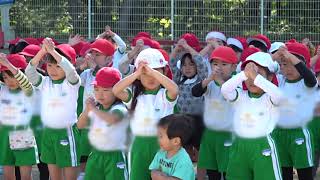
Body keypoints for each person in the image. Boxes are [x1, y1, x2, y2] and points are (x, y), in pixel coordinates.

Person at [112, 48, 178, 180]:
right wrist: (137, 73)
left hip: (163, 145)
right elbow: (116, 90)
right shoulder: (135, 96)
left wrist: (151, 71)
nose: (150, 78)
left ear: (164, 72)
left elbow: (174, 90)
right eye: (145, 74)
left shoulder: (165, 96)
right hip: (138, 146)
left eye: (155, 72)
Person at [221, 52, 283, 180]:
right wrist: (244, 74)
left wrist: (255, 77)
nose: (252, 80)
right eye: (249, 76)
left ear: (270, 77)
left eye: (258, 74)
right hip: (239, 145)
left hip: (263, 146)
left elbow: (279, 96)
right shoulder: (240, 95)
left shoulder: (269, 97)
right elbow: (225, 90)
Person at [25, 38, 81, 180]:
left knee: (69, 176)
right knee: (54, 176)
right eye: (50, 65)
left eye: (58, 66)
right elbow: (29, 72)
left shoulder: (71, 83)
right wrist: (43, 51)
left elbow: (70, 70)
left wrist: (53, 52)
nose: (53, 70)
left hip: (66, 132)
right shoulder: (44, 82)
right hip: (48, 133)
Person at [272, 41, 317, 180]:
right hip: (278, 133)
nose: (288, 69)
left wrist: (289, 56)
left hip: (299, 133)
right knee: (283, 174)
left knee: (305, 174)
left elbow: (310, 77)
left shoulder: (307, 84)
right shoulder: (279, 80)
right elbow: (261, 67)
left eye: (293, 63)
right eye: (284, 64)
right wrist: (274, 56)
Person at [192, 46, 238, 180]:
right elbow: (195, 92)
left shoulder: (237, 82)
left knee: (229, 171)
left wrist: (217, 80)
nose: (219, 67)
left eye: (224, 64)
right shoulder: (210, 83)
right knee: (212, 171)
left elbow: (230, 94)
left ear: (234, 67)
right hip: (210, 134)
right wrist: (209, 79)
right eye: (215, 64)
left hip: (228, 134)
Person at [77, 67, 129, 180]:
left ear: (117, 91)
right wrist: (87, 110)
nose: (100, 94)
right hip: (95, 154)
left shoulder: (119, 108)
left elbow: (112, 119)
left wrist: (93, 110)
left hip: (115, 156)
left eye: (105, 90)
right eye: (96, 89)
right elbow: (80, 125)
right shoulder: (96, 107)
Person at [76, 39, 116, 179]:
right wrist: (81, 67)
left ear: (109, 58)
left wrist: (96, 68)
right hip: (87, 125)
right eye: (91, 53)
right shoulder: (87, 73)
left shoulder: (114, 72)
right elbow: (70, 81)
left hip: (105, 128)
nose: (92, 56)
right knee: (84, 163)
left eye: (97, 54)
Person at [0, 53, 38, 180]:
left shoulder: (28, 91)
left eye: (12, 76)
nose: (9, 81)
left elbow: (25, 83)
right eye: (5, 77)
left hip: (23, 133)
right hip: (4, 134)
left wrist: (8, 65)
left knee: (25, 176)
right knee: (7, 174)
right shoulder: (3, 89)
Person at [149, 114, 195, 180]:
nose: (157, 139)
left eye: (161, 136)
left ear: (176, 141)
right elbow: (153, 171)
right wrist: (155, 174)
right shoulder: (161, 153)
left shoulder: (183, 160)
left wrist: (162, 178)